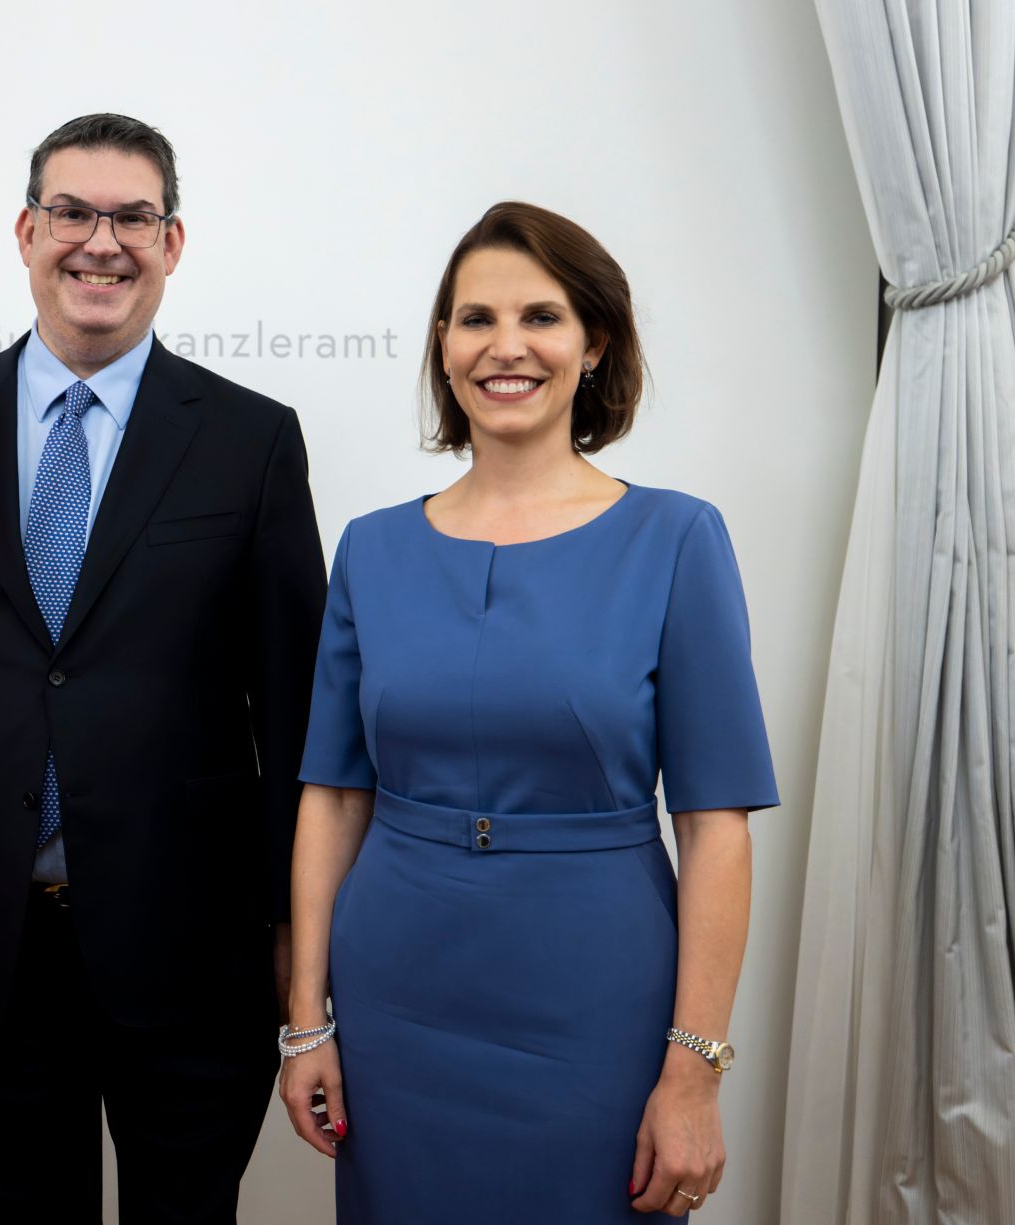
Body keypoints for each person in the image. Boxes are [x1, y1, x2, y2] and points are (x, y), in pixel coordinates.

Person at [278, 202, 779, 1222]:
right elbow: (330, 798)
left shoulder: (674, 537)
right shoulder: (370, 549)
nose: (505, 347)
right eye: (474, 319)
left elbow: (714, 826)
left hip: (592, 994)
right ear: (442, 344)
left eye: (540, 317)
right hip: (395, 998)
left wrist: (692, 1072)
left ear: (593, 343)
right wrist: (303, 1021)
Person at [0, 113, 327, 1223]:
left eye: (133, 217)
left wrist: (293, 935)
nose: (100, 241)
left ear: (172, 245)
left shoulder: (250, 438)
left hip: (195, 956)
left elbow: (300, 702)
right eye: (72, 212)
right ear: (26, 232)